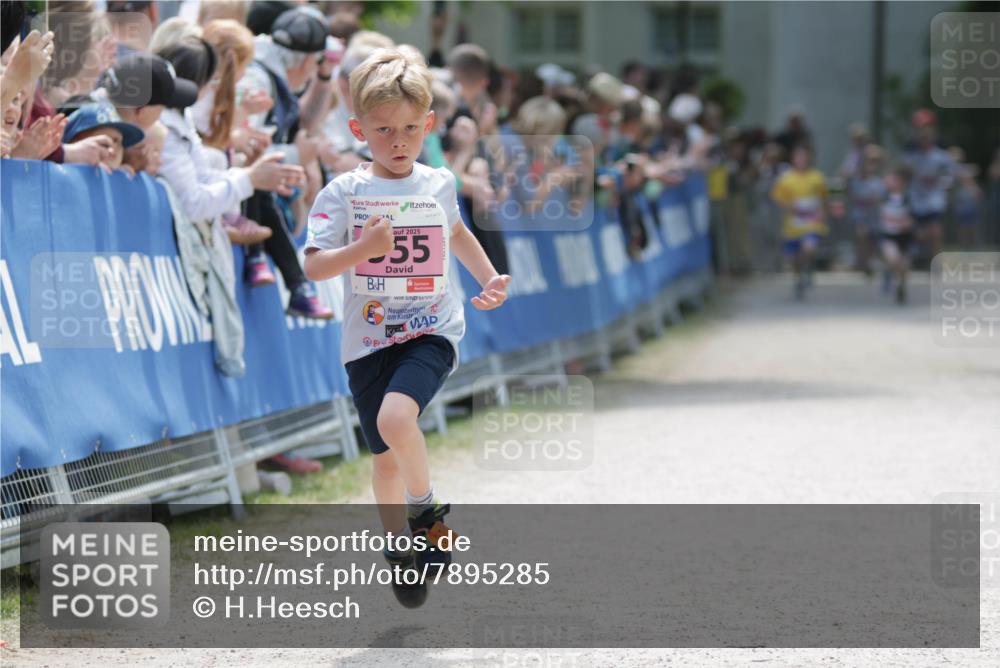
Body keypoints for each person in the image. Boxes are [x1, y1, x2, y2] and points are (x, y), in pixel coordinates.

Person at [303, 48, 511, 608]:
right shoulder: (342, 193)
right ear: (357, 129)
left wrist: (489, 277)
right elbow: (314, 264)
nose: (398, 141)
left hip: (431, 327)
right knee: (385, 458)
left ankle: (427, 511)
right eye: (383, 130)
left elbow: (458, 232)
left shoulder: (439, 182)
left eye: (411, 130)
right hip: (366, 339)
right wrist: (363, 248)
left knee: (399, 419)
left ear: (429, 125)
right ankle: (399, 546)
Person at [771, 144, 828, 300]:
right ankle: (799, 277)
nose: (801, 160)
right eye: (798, 157)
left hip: (812, 223)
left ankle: (807, 267)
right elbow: (778, 198)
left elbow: (823, 198)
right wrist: (789, 206)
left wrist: (822, 212)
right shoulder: (786, 179)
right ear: (793, 159)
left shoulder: (817, 177)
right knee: (793, 258)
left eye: (804, 157)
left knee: (808, 248)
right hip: (793, 225)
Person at [903, 109, 958, 263]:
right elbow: (902, 174)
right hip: (916, 198)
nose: (923, 134)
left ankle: (936, 260)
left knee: (935, 230)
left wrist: (949, 184)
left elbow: (951, 174)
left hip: (933, 198)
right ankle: (914, 258)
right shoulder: (911, 155)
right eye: (920, 129)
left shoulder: (941, 155)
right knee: (917, 232)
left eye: (927, 129)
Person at [62, 101, 145, 172]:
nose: (113, 149)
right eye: (104, 143)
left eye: (119, 142)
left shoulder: (123, 179)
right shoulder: (58, 174)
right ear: (74, 142)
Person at [877, 165, 916, 304]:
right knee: (893, 259)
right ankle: (889, 274)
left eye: (895, 180)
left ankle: (901, 287)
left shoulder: (908, 198)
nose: (891, 182)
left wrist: (907, 224)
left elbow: (913, 218)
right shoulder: (883, 196)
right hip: (888, 235)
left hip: (904, 237)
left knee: (904, 266)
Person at [847, 144, 885, 276]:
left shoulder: (878, 182)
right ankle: (861, 261)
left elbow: (881, 199)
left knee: (872, 240)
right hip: (860, 213)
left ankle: (867, 262)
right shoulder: (855, 179)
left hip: (873, 215)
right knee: (862, 233)